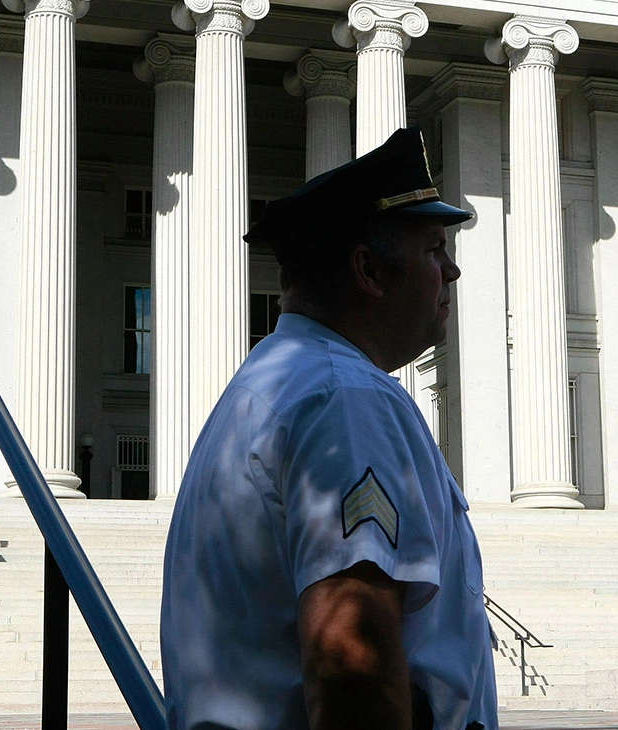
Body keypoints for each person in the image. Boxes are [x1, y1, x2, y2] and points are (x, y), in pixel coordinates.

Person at [160, 127, 497, 730]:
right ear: (368, 270)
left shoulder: (273, 383)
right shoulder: (347, 399)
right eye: (433, 251)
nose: (452, 272)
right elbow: (352, 664)